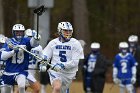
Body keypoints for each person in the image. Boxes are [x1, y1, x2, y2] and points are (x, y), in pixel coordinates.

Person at [41, 22, 84, 93]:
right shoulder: (53, 43)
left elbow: (75, 62)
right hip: (55, 71)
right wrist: (43, 63)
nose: (68, 33)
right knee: (57, 88)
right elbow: (45, 55)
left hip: (69, 73)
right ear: (60, 30)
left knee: (62, 90)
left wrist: (61, 65)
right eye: (65, 31)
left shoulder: (76, 43)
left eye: (69, 31)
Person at [0, 24, 40, 93]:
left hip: (21, 70)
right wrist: (13, 51)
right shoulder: (9, 41)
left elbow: (33, 44)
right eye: (17, 32)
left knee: (21, 86)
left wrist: (36, 38)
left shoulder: (26, 40)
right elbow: (3, 56)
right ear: (13, 32)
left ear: (23, 32)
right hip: (9, 71)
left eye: (21, 32)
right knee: (5, 91)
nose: (19, 34)